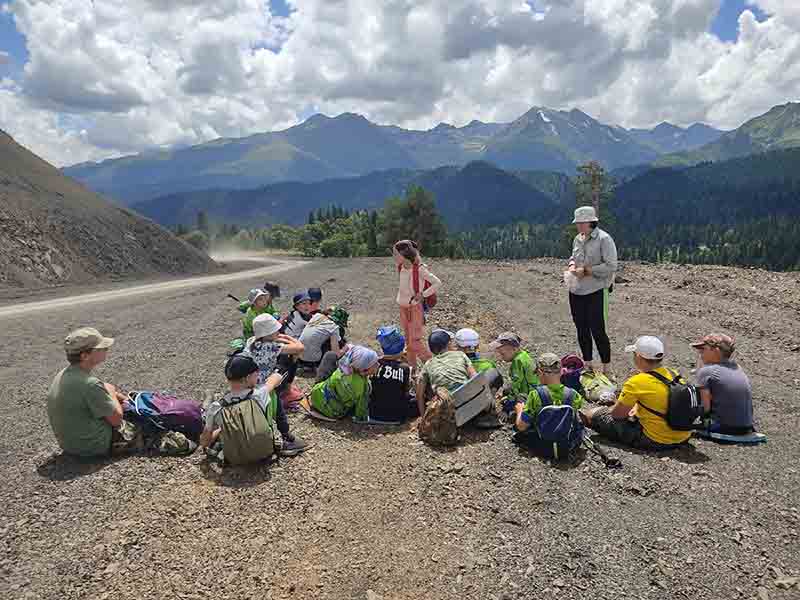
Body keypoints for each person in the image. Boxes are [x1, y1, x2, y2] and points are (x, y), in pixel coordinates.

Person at [579, 336, 691, 450]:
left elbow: (617, 415)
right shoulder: (674, 374)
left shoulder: (636, 382)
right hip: (683, 436)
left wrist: (610, 407)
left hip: (655, 440)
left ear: (638, 356)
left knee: (591, 414)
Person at [47, 327, 142, 457]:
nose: (106, 349)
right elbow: (116, 420)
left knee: (108, 390)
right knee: (143, 426)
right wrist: (112, 391)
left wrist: (112, 392)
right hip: (93, 446)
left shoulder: (65, 374)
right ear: (85, 356)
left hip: (70, 445)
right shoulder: (90, 384)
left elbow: (98, 390)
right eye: (101, 348)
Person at [200, 354, 307, 458]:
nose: (257, 378)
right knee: (274, 394)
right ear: (247, 378)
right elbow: (275, 379)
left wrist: (220, 431)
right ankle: (285, 434)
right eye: (256, 375)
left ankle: (208, 402)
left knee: (211, 422)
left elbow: (204, 442)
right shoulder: (261, 394)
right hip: (265, 450)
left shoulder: (216, 407)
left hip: (235, 456)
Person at [567, 206, 618, 375]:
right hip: (576, 289)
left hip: (596, 290)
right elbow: (573, 257)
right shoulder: (577, 239)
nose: (579, 226)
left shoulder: (604, 239)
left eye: (582, 223)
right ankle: (587, 365)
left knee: (598, 330)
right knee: (581, 328)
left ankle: (607, 368)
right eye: (578, 223)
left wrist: (587, 271)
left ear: (591, 221)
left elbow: (611, 266)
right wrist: (572, 265)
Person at [513, 352, 585, 454]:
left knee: (521, 402)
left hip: (542, 446)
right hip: (566, 446)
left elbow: (521, 426)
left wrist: (519, 410)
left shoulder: (535, 395)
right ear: (561, 372)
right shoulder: (574, 395)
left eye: (537, 374)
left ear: (540, 372)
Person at [393, 239, 441, 370]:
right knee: (409, 342)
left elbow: (437, 282)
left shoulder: (419, 269)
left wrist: (423, 294)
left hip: (414, 308)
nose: (394, 257)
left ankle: (434, 366)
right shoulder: (401, 267)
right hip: (403, 308)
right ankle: (412, 370)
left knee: (415, 342)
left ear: (404, 255)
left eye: (396, 254)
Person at [691, 334, 753, 434]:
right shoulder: (737, 368)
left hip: (723, 427)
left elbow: (705, 408)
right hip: (746, 427)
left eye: (703, 349)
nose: (699, 352)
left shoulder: (707, 371)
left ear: (716, 351)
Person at [309, 346, 380, 420]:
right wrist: (362, 418)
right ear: (365, 368)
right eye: (375, 364)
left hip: (315, 397)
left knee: (329, 356)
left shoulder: (342, 370)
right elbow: (361, 409)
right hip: (333, 412)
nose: (378, 364)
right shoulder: (364, 385)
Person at [370, 326, 417, 421]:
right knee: (420, 400)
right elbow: (407, 392)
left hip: (374, 412)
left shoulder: (374, 364)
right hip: (398, 415)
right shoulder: (405, 368)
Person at [491, 332, 539, 411]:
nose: (501, 357)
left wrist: (507, 406)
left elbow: (515, 386)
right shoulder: (523, 355)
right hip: (533, 391)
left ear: (514, 349)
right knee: (506, 390)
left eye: (503, 354)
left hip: (530, 395)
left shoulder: (518, 361)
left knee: (509, 405)